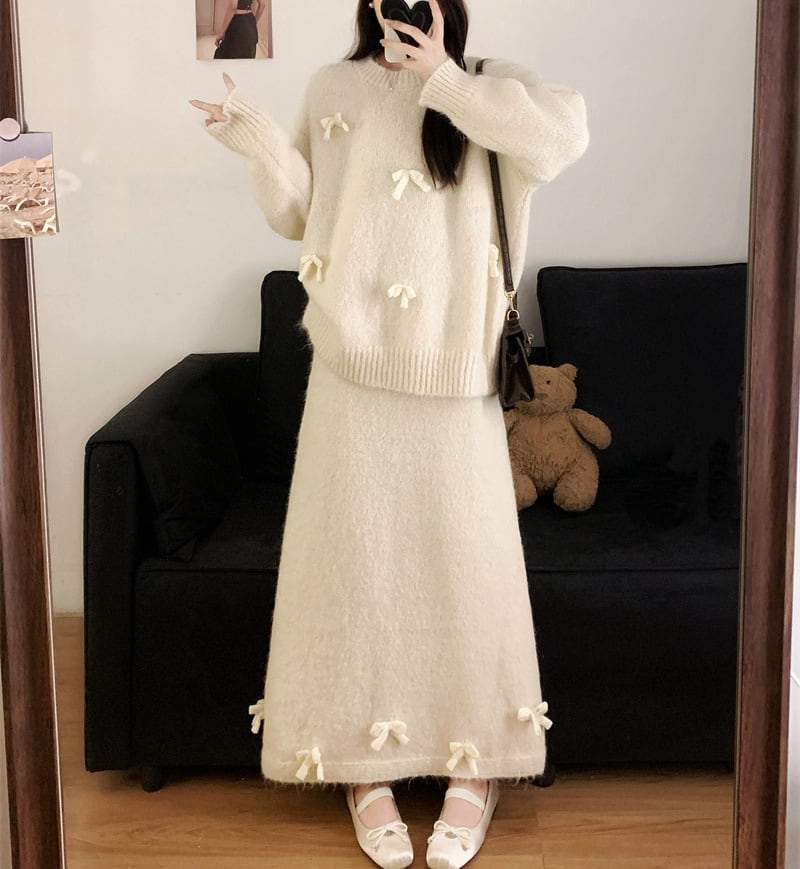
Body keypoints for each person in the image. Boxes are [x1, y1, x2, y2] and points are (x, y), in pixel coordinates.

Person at [190, 1, 588, 866]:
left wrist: (441, 77)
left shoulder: (489, 86)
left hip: (457, 383)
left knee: (469, 578)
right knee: (352, 574)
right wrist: (255, 138)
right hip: (349, 374)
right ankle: (355, 765)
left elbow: (563, 139)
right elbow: (304, 212)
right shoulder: (333, 85)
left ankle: (475, 765)